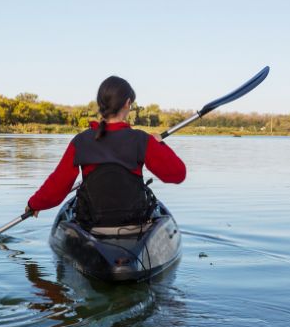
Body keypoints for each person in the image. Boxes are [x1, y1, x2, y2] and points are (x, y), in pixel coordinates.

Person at [25, 76, 186, 228]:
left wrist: (34, 204)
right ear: (127, 103)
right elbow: (178, 174)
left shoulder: (81, 141)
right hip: (134, 222)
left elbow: (57, 185)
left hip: (92, 223)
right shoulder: (142, 140)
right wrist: (160, 144)